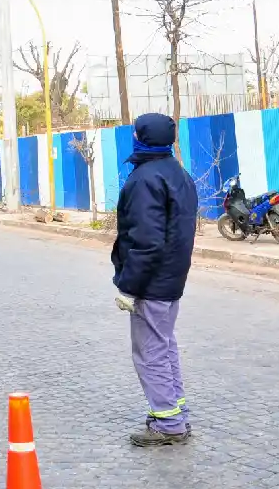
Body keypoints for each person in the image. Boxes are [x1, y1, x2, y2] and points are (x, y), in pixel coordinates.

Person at [111, 112, 198, 447]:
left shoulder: (145, 179)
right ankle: (175, 415)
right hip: (172, 277)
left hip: (151, 282)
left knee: (150, 353)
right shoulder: (178, 173)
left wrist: (130, 286)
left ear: (141, 137)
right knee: (164, 347)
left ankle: (169, 424)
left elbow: (146, 240)